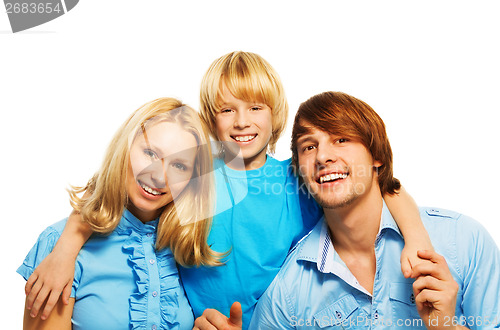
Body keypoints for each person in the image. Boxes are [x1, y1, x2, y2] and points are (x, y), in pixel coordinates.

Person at [23, 52, 432, 329]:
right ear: (209, 119)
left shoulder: (295, 179)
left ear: (275, 117)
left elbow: (381, 189)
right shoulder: (191, 172)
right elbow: (113, 190)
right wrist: (65, 247)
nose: (241, 122)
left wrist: (415, 239)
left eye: (255, 108)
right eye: (226, 109)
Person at [248, 91, 500, 329]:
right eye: (309, 146)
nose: (322, 156)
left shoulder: (463, 242)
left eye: (341, 139)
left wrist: (447, 326)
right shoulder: (286, 292)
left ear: (376, 155)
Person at [18, 98, 221, 329]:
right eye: (151, 153)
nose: (159, 176)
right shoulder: (61, 246)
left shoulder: (186, 248)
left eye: (179, 166)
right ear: (125, 147)